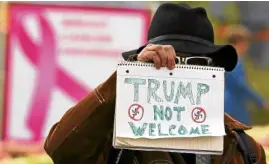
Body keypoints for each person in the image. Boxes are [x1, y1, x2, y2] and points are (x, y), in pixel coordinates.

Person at [44, 3, 267, 164]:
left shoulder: (245, 148)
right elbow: (62, 151)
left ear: (213, 70)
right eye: (169, 62)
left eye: (197, 62)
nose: (182, 72)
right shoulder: (115, 139)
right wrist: (125, 80)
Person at [224, 25, 269, 125]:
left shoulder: (226, 59)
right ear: (241, 43)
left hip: (227, 103)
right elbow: (241, 85)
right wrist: (261, 101)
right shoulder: (235, 61)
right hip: (234, 105)